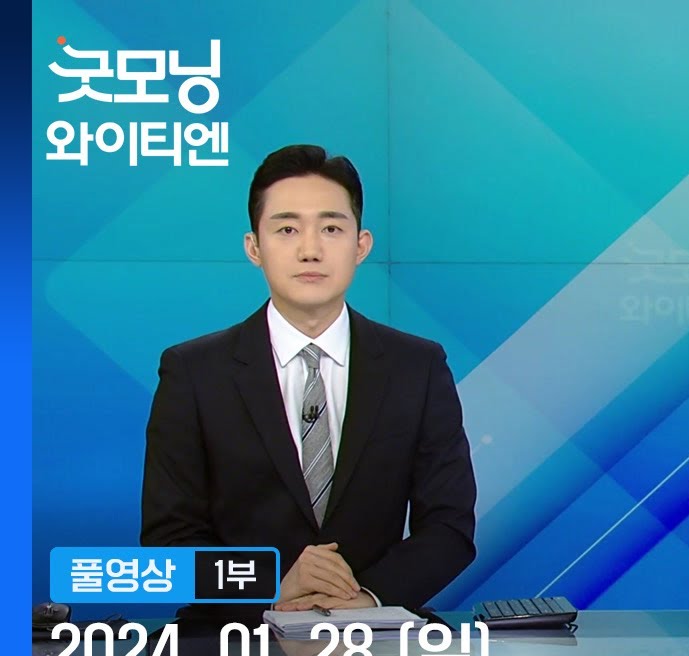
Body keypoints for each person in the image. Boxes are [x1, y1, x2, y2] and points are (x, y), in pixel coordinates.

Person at [140, 144, 476, 615]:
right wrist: (272, 587)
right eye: (287, 229)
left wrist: (367, 598)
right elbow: (168, 542)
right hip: (233, 636)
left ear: (361, 245)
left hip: (373, 634)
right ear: (254, 248)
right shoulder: (194, 372)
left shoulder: (417, 367)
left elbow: (449, 527)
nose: (310, 250)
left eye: (331, 228)